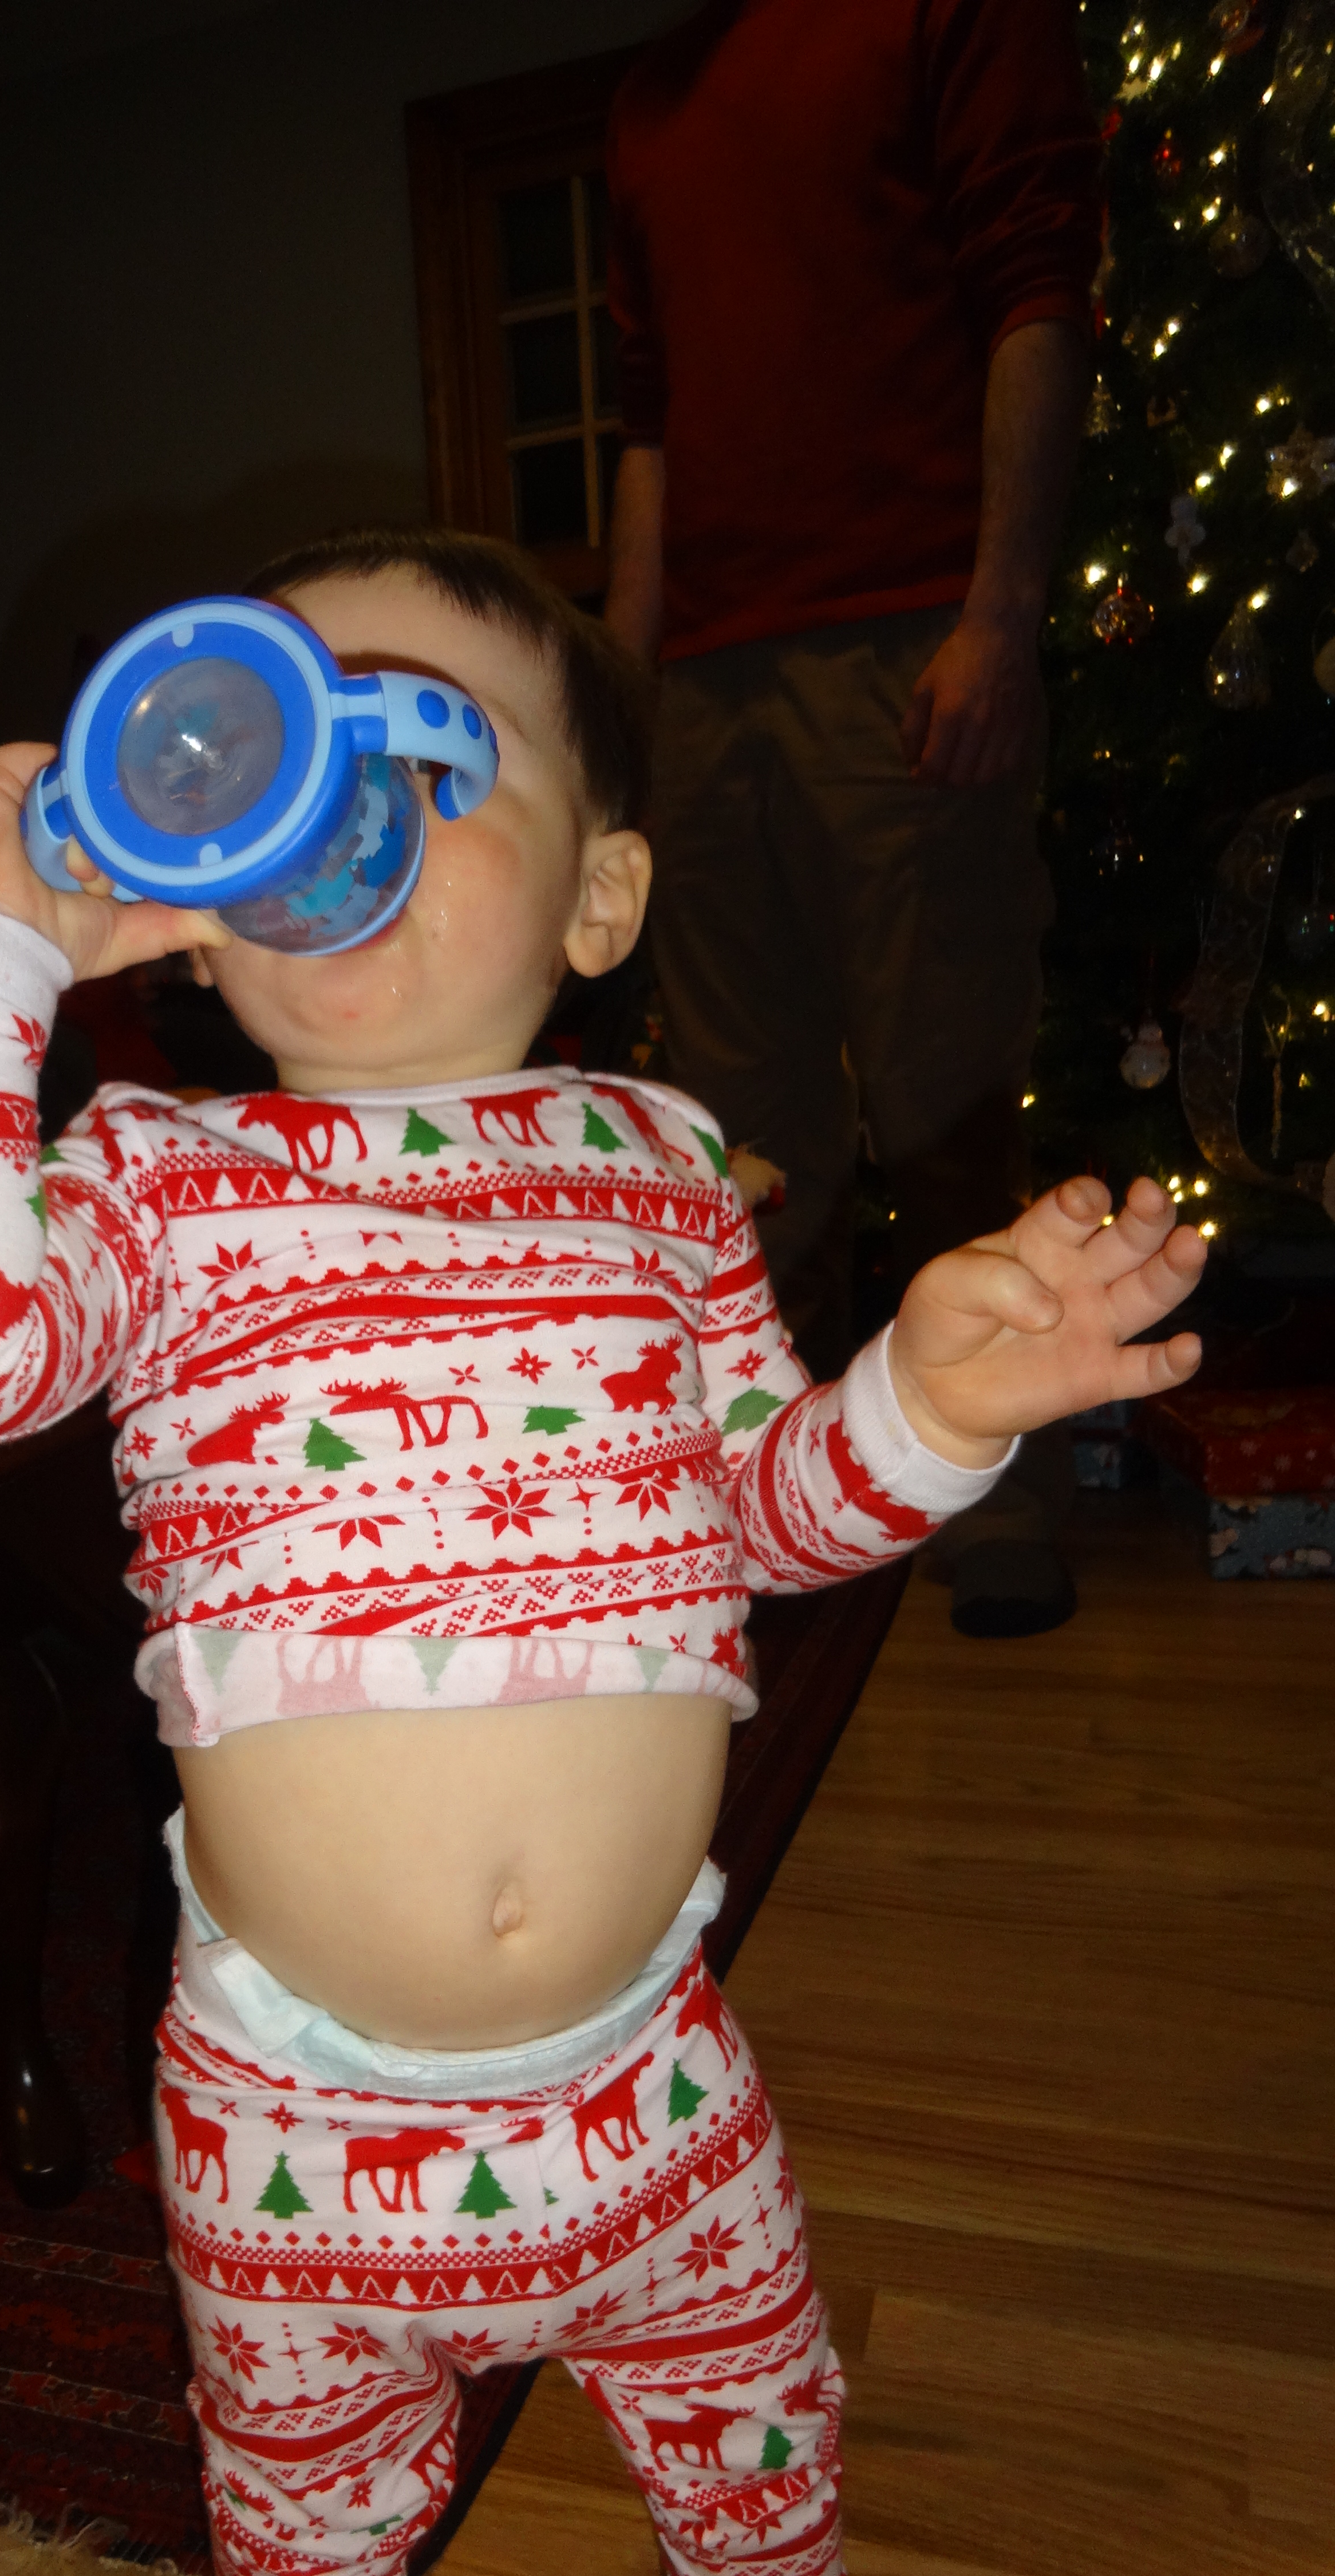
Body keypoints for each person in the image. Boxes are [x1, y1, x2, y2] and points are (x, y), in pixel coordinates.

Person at [0, 528, 1203, 2576]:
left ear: (601, 898)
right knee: (301, 2516)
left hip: (650, 2072)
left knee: (760, 2415)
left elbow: (759, 1517)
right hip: (299, 2121)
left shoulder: (660, 1167)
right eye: (275, 746)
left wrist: (931, 1407)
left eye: (420, 754)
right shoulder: (157, 1180)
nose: (334, 810)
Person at [597, 0, 1100, 1639]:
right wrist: (618, 706)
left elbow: (1036, 297)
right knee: (737, 1131)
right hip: (701, 687)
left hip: (906, 645)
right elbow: (649, 426)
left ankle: (996, 1496)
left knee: (945, 1097)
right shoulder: (649, 101)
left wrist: (999, 617)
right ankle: (769, 1495)